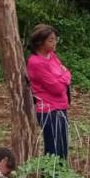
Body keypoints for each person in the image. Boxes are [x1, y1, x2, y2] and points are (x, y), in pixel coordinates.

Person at [26, 23, 71, 159]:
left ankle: (62, 177)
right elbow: (56, 88)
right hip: (48, 110)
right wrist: (65, 77)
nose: (54, 43)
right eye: (50, 40)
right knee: (54, 148)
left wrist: (63, 76)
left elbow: (66, 73)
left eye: (54, 39)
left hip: (60, 107)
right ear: (40, 42)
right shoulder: (36, 62)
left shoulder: (51, 56)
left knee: (63, 146)